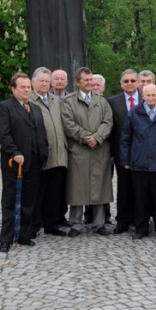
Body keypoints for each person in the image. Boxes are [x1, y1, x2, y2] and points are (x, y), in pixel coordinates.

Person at [0, 73, 49, 253]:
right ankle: (6, 238)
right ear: (13, 89)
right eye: (22, 87)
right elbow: (4, 134)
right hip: (14, 162)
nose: (26, 90)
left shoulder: (35, 108)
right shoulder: (5, 107)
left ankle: (23, 234)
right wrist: (15, 152)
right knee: (10, 200)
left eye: (28, 87)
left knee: (29, 200)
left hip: (34, 161)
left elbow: (40, 133)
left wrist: (44, 152)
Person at [60, 66, 114, 236]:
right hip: (79, 150)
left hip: (99, 150)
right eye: (87, 80)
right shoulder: (68, 102)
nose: (91, 83)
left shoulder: (101, 101)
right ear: (78, 82)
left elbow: (108, 122)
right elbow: (68, 124)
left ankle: (99, 223)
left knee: (99, 186)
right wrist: (86, 137)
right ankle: (75, 222)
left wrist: (97, 137)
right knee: (77, 187)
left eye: (92, 80)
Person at [120, 84, 156, 240]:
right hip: (139, 163)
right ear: (142, 96)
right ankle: (141, 229)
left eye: (153, 95)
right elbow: (125, 138)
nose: (150, 98)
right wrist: (125, 159)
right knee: (140, 199)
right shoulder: (134, 113)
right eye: (147, 95)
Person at [29, 67, 69, 237]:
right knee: (38, 193)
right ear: (33, 82)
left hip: (59, 154)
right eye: (41, 81)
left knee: (55, 192)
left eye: (47, 81)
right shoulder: (29, 100)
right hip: (41, 155)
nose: (45, 84)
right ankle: (34, 225)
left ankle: (52, 224)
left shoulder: (56, 100)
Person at [108, 69, 140, 234]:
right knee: (124, 187)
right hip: (122, 151)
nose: (129, 83)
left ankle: (139, 219)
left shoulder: (147, 99)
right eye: (126, 81)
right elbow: (111, 129)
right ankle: (123, 220)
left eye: (132, 81)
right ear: (121, 84)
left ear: (138, 82)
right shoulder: (113, 102)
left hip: (142, 153)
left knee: (140, 187)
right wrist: (112, 153)